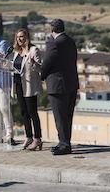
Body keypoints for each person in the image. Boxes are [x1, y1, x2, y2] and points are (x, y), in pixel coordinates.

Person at [40, 19, 78, 156]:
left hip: (57, 85)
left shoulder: (54, 43)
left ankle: (64, 144)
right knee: (68, 116)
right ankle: (64, 142)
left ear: (52, 30)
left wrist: (41, 75)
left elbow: (47, 63)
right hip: (71, 83)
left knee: (60, 117)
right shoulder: (70, 41)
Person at [11, 28, 43, 151]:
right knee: (24, 112)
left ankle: (38, 138)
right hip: (18, 85)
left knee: (32, 113)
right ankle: (29, 136)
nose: (20, 39)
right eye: (18, 37)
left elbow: (41, 68)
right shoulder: (16, 52)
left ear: (27, 37)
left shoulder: (33, 50)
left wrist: (34, 64)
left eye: (22, 36)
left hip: (30, 86)